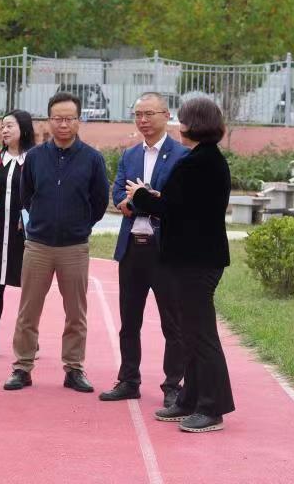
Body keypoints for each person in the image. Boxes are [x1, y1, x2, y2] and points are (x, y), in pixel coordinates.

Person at [127, 96, 235, 433]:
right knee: (190, 333)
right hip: (193, 258)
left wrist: (140, 195)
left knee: (201, 335)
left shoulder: (199, 163)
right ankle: (190, 399)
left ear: (194, 125)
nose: (179, 126)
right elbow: (184, 205)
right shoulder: (204, 160)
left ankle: (212, 408)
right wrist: (157, 198)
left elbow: (169, 208)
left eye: (183, 120)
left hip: (196, 261)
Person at [4, 92, 109, 393]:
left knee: (76, 312)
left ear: (79, 120)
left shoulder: (92, 159)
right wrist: (40, 222)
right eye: (57, 119)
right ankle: (22, 367)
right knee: (28, 311)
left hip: (74, 247)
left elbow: (100, 200)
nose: (63, 124)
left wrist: (81, 225)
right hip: (38, 245)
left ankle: (74, 368)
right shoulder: (35, 157)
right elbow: (26, 196)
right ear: (48, 121)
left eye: (69, 119)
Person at [99, 93, 188, 406]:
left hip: (164, 251)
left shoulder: (181, 156)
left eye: (149, 114)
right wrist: (148, 199)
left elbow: (174, 202)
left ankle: (173, 385)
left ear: (166, 115)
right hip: (132, 250)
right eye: (138, 114)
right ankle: (128, 379)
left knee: (172, 323)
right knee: (129, 321)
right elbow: (118, 196)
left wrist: (141, 199)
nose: (143, 120)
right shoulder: (130, 155)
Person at [0, 110, 36, 358]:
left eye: (10, 126)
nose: (4, 130)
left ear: (23, 128)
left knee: (30, 288)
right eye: (2, 126)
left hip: (25, 232)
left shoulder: (34, 159)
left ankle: (30, 339)